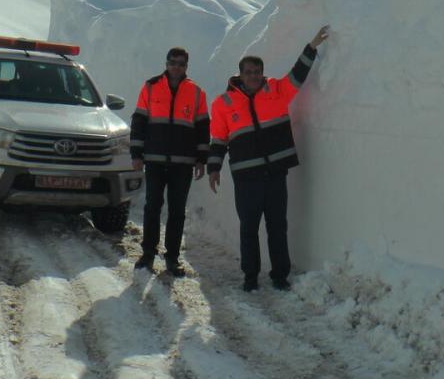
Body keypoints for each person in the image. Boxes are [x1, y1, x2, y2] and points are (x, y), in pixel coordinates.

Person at [208, 25, 330, 292]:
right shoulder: (223, 104)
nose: (253, 76)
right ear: (239, 74)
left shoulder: (276, 90)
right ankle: (250, 276)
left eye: (257, 72)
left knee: (277, 226)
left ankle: (279, 275)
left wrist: (311, 47)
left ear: (263, 73)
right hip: (246, 178)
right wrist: (214, 168)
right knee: (249, 228)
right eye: (248, 72)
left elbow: (298, 75)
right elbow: (218, 138)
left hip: (275, 174)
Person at [130, 47, 209, 277]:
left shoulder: (196, 93)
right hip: (154, 160)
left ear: (187, 66)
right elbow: (139, 122)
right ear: (166, 63)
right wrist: (136, 153)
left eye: (181, 63)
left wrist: (201, 159)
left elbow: (203, 128)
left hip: (182, 163)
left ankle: (172, 258)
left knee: (177, 211)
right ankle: (148, 254)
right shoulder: (151, 86)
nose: (176, 67)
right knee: (152, 207)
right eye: (173, 62)